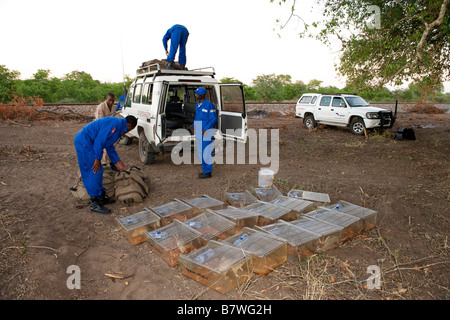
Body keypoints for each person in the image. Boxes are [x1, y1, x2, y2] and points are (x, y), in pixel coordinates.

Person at [74, 115, 138, 214]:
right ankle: (94, 203)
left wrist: (118, 162)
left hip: (90, 143)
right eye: (129, 129)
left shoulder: (119, 127)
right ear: (129, 126)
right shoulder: (115, 124)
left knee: (99, 171)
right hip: (84, 142)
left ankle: (100, 198)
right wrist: (97, 158)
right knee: (93, 171)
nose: (127, 132)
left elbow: (109, 147)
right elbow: (99, 141)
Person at [194, 87, 217, 179]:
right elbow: (197, 116)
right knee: (200, 150)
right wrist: (194, 125)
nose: (195, 95)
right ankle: (204, 170)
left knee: (206, 151)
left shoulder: (209, 105)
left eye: (197, 93)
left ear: (202, 95)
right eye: (195, 93)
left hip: (206, 131)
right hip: (198, 129)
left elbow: (213, 118)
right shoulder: (197, 104)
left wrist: (206, 129)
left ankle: (208, 172)